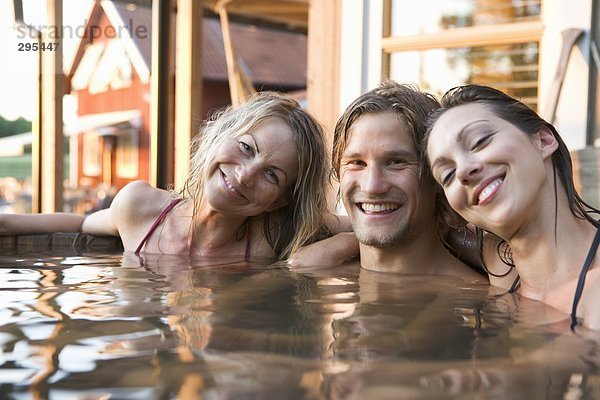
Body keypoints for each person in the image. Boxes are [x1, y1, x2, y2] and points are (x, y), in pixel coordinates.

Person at [0, 92, 347, 261]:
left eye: (271, 174)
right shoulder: (139, 207)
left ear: (283, 198)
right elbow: (81, 224)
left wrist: (322, 255)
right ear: (220, 133)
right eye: (245, 147)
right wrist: (8, 223)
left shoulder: (272, 238)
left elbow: (366, 229)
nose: (244, 175)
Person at [423, 84, 600, 329]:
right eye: (448, 174)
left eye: (480, 141)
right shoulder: (500, 266)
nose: (463, 171)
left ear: (544, 140)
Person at [291, 80, 483, 281]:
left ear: (437, 177)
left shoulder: (480, 301)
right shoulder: (307, 273)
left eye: (396, 162)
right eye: (357, 162)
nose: (372, 186)